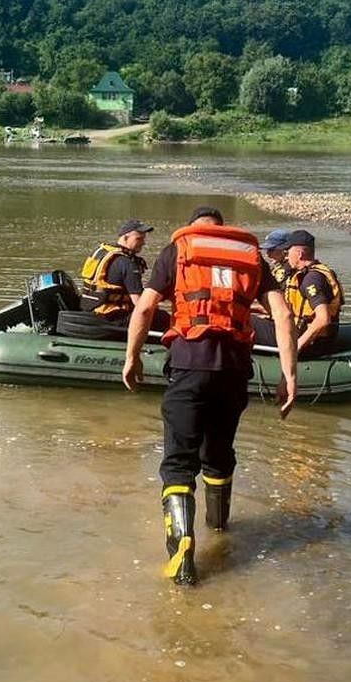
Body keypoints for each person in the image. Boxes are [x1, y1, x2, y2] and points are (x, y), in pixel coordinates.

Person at [122, 206, 298, 587]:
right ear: (224, 228)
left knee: (178, 464)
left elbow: (147, 307)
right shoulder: (249, 257)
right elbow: (283, 315)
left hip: (188, 367)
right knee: (219, 456)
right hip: (234, 372)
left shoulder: (179, 251)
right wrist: (289, 374)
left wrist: (132, 358)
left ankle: (182, 552)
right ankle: (219, 529)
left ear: (194, 226)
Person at [281, 229, 345, 356]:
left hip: (305, 339)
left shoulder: (311, 279)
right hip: (301, 330)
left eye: (288, 252)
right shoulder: (312, 272)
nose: (286, 256)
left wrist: (297, 345)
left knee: (248, 321)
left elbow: (323, 319)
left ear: (299, 254)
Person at [79, 219, 153, 325]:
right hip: (113, 317)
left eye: (143, 239)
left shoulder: (103, 253)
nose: (143, 243)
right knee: (162, 317)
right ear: (126, 237)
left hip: (92, 311)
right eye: (139, 239)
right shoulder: (127, 264)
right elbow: (140, 306)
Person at [250, 229, 294, 347]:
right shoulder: (278, 267)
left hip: (286, 324)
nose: (267, 254)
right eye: (266, 250)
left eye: (271, 250)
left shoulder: (286, 272)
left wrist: (250, 308)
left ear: (285, 250)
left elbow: (282, 308)